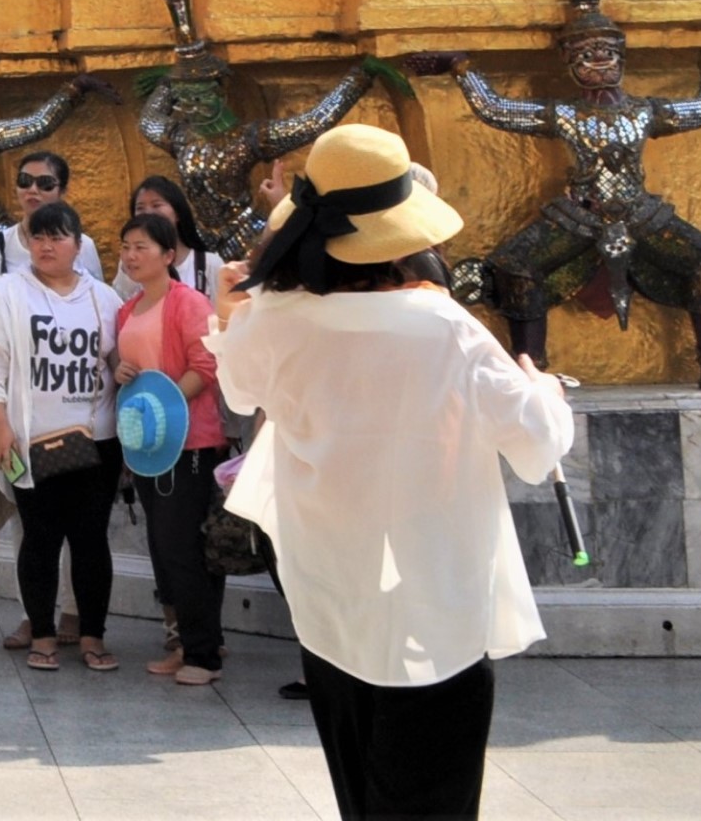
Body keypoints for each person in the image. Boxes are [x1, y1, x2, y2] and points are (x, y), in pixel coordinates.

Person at [214, 121, 573, 821]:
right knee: (431, 789)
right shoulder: (442, 327)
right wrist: (545, 391)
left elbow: (237, 389)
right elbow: (534, 441)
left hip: (327, 589)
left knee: (359, 784)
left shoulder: (275, 317)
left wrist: (231, 308)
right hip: (429, 594)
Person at [0, 199, 124, 672]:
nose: (47, 245)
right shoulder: (7, 292)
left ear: (78, 245)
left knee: (90, 541)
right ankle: (42, 634)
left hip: (96, 439)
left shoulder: (104, 298)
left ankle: (92, 636)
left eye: (57, 236)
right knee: (39, 539)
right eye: (37, 237)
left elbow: (118, 363)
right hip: (30, 439)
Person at [116, 207, 228, 684]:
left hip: (190, 444)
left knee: (185, 548)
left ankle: (205, 655)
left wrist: (161, 405)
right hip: (146, 446)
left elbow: (206, 366)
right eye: (126, 247)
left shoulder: (188, 303)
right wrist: (121, 377)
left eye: (142, 247)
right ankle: (186, 643)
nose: (132, 255)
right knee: (165, 548)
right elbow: (128, 370)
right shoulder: (128, 308)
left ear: (168, 253)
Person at [0, 152, 103, 280]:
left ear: (62, 191)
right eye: (24, 181)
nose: (32, 190)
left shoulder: (83, 245)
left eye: (45, 183)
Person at [130, 173, 221, 299]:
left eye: (156, 205)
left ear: (178, 212)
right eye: (140, 208)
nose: (148, 213)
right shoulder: (131, 263)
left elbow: (225, 314)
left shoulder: (209, 265)